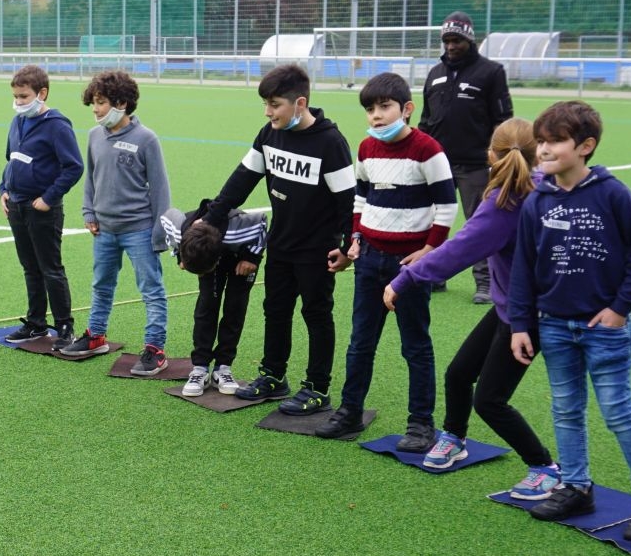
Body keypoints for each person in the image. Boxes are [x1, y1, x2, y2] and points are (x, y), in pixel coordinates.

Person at [508, 101, 631, 535]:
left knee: (617, 410)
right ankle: (576, 487)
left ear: (585, 146)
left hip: (604, 329)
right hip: (554, 326)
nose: (544, 149)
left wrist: (620, 309)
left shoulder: (612, 194)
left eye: (556, 141)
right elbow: (523, 268)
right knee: (565, 408)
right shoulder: (537, 202)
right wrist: (521, 324)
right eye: (540, 141)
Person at [386, 118, 560, 488]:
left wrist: (405, 278)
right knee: (459, 373)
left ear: (491, 154)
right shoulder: (543, 188)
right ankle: (454, 437)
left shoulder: (505, 203)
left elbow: (461, 250)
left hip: (526, 315)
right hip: (512, 306)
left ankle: (545, 468)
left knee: (490, 401)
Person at [203, 63, 356, 414]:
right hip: (281, 243)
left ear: (299, 103)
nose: (268, 112)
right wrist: (209, 221)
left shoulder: (330, 143)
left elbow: (348, 202)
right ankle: (273, 376)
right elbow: (241, 180)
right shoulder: (269, 134)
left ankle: (317, 388)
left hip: (318, 249)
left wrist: (347, 247)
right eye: (266, 104)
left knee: (317, 314)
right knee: (275, 309)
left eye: (275, 105)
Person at [321, 73, 456, 447]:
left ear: (407, 109)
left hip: (408, 266)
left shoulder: (428, 150)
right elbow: (361, 198)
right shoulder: (367, 148)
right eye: (370, 109)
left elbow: (447, 206)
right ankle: (350, 411)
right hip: (369, 260)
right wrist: (356, 238)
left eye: (385, 107)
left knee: (415, 346)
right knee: (360, 342)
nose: (376, 116)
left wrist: (429, 251)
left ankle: (421, 424)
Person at [60, 70, 171, 373]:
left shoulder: (146, 139)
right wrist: (89, 212)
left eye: (101, 103)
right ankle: (96, 336)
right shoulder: (94, 135)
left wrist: (159, 234)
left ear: (121, 103)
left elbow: (160, 189)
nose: (95, 110)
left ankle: (155, 348)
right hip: (104, 230)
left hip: (139, 230)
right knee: (101, 285)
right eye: (93, 103)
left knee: (151, 289)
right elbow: (91, 179)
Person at [419, 11, 513, 303]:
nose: (451, 46)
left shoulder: (491, 72)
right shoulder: (434, 73)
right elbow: (425, 120)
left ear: (470, 40)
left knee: (480, 225)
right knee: (433, 220)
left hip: (476, 166)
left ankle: (485, 283)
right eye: (447, 40)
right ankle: (436, 275)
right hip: (437, 164)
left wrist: (497, 158)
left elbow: (503, 121)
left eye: (457, 40)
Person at [0, 65, 82, 349]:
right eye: (15, 96)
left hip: (43, 209)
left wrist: (48, 197)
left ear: (42, 93)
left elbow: (74, 167)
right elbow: (12, 160)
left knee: (50, 268)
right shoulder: (17, 122)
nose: (18, 102)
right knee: (30, 267)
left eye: (23, 96)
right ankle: (36, 323)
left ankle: (64, 326)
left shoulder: (57, 125)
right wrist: (3, 190)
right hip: (16, 206)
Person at [162, 200, 266, 396]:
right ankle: (200, 368)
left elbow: (261, 222)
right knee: (207, 304)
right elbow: (166, 218)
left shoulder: (240, 229)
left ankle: (223, 368)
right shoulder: (179, 229)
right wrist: (180, 255)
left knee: (235, 306)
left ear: (216, 259)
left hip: (240, 254)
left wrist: (252, 258)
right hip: (204, 247)